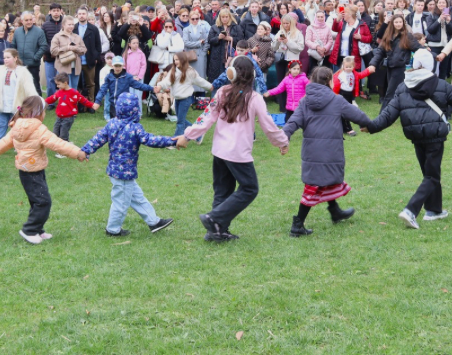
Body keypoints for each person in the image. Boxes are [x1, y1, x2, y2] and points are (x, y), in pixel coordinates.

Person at [362, 55, 452, 229]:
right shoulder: (440, 85)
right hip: (434, 136)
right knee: (431, 176)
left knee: (430, 173)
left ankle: (434, 210)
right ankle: (410, 210)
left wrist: (372, 126)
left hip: (416, 136)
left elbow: (388, 114)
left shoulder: (403, 86)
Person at [184, 57, 290, 242]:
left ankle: (217, 232)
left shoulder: (223, 92)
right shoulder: (254, 98)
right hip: (237, 153)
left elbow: (206, 117)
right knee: (250, 188)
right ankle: (214, 218)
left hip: (220, 151)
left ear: (231, 73)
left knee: (223, 191)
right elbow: (269, 125)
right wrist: (282, 141)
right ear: (252, 75)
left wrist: (188, 135)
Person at [282, 66, 372, 237]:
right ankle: (297, 224)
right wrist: (371, 125)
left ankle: (334, 211)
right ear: (330, 81)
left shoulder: (304, 101)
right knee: (313, 188)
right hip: (331, 152)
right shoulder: (337, 100)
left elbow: (292, 122)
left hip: (312, 153)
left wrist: (284, 138)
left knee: (325, 179)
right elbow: (358, 115)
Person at [0, 95, 86, 244]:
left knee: (36, 201)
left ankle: (38, 230)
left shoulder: (16, 126)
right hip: (34, 172)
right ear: (39, 113)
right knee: (43, 202)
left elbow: (2, 144)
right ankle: (29, 230)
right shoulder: (39, 129)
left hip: (26, 172)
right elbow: (58, 144)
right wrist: (77, 153)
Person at [80, 92, 177, 237]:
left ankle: (154, 222)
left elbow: (97, 138)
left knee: (137, 197)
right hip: (124, 174)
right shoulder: (135, 128)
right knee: (121, 202)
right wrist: (172, 141)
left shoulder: (112, 124)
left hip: (116, 171)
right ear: (135, 110)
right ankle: (113, 230)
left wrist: (86, 150)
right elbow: (151, 140)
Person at [367, 15, 419, 110]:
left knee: (390, 94)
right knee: (398, 93)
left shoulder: (407, 36)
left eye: (400, 22)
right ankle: (402, 111)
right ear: (392, 24)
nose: (398, 24)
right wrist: (373, 64)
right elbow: (380, 51)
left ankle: (383, 115)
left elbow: (419, 48)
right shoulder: (388, 36)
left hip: (401, 68)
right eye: (396, 22)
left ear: (403, 23)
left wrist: (434, 55)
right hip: (390, 67)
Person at [158, 51, 213, 138]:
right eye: (174, 60)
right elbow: (166, 81)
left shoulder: (190, 72)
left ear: (183, 60)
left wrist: (210, 86)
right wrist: (160, 85)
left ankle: (177, 140)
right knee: (181, 119)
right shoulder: (173, 71)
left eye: (177, 60)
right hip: (177, 99)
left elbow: (200, 81)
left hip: (186, 100)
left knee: (180, 122)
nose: (176, 62)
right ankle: (198, 135)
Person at [44, 71, 98, 155]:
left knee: (63, 134)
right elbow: (52, 98)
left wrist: (92, 105)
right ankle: (65, 145)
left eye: (58, 84)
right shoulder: (59, 92)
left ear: (65, 83)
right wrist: (43, 102)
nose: (57, 86)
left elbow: (83, 100)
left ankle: (63, 152)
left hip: (68, 118)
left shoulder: (74, 93)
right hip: (59, 117)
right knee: (55, 133)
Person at [94, 55, 155, 121]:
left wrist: (152, 88)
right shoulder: (109, 77)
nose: (117, 68)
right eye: (116, 66)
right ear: (112, 66)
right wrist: (97, 101)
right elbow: (102, 90)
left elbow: (139, 85)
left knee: (124, 124)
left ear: (123, 66)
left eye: (119, 66)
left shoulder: (128, 77)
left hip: (124, 106)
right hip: (113, 106)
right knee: (115, 125)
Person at [10, 11, 48, 96]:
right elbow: (13, 46)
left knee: (35, 86)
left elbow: (43, 46)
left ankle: (38, 103)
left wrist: (35, 57)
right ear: (22, 21)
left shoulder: (39, 31)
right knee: (20, 87)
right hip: (20, 65)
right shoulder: (17, 32)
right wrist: (15, 59)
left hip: (33, 65)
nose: (29, 22)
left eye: (30, 19)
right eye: (26, 20)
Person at [332, 56, 371, 136]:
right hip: (342, 94)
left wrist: (368, 71)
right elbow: (335, 86)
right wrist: (336, 95)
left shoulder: (353, 73)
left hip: (349, 95)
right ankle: (348, 129)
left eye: (350, 67)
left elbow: (360, 75)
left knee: (346, 111)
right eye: (346, 67)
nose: (348, 68)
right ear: (343, 66)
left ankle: (344, 127)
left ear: (353, 66)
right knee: (345, 112)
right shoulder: (340, 75)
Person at [49, 15, 87, 91]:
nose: (71, 26)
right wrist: (67, 48)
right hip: (62, 67)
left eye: (72, 24)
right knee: (64, 90)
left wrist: (75, 48)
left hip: (75, 68)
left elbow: (84, 50)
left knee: (74, 89)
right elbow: (53, 50)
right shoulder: (57, 36)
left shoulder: (77, 37)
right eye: (69, 24)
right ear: (63, 25)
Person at [207, 8, 243, 84]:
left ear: (230, 17)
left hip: (231, 56)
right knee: (217, 79)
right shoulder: (214, 27)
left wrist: (231, 38)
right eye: (223, 17)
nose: (225, 19)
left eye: (226, 17)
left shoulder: (236, 27)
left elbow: (241, 40)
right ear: (220, 18)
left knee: (231, 78)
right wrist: (218, 38)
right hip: (217, 56)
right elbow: (210, 40)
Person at [74, 6, 102, 102]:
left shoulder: (93, 29)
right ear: (77, 15)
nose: (81, 16)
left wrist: (96, 57)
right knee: (76, 83)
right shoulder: (73, 28)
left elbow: (98, 45)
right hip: (76, 60)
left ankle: (91, 103)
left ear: (87, 15)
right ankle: (77, 103)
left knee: (90, 83)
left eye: (83, 14)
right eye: (80, 14)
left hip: (89, 60)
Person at [425, 0, 452, 81]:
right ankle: (432, 84)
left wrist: (448, 22)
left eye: (443, 3)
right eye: (440, 3)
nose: (441, 4)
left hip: (446, 46)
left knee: (443, 69)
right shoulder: (431, 15)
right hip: (434, 45)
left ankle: (442, 84)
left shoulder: (451, 16)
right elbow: (430, 30)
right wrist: (439, 20)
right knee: (433, 67)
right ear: (437, 4)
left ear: (447, 5)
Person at [41, 4, 65, 99]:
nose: (56, 12)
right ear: (50, 12)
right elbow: (43, 42)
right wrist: (52, 51)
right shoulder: (45, 25)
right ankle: (51, 100)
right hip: (49, 57)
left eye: (57, 10)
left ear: (60, 11)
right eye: (54, 10)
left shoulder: (65, 24)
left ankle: (63, 99)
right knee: (50, 79)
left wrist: (60, 52)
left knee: (62, 79)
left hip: (63, 57)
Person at [182, 9, 211, 84]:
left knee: (201, 76)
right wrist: (198, 43)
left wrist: (203, 53)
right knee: (190, 76)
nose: (195, 20)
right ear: (189, 19)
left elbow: (206, 42)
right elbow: (186, 43)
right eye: (193, 19)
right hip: (190, 55)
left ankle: (201, 91)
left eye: (197, 18)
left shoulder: (203, 29)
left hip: (200, 55)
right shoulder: (186, 30)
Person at [305, 10, 334, 75]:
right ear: (315, 17)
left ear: (324, 17)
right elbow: (307, 41)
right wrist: (317, 47)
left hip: (325, 55)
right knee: (314, 74)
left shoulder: (327, 28)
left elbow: (330, 41)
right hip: (314, 55)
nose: (320, 18)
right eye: (318, 17)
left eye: (322, 17)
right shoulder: (310, 28)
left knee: (325, 74)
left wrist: (325, 48)